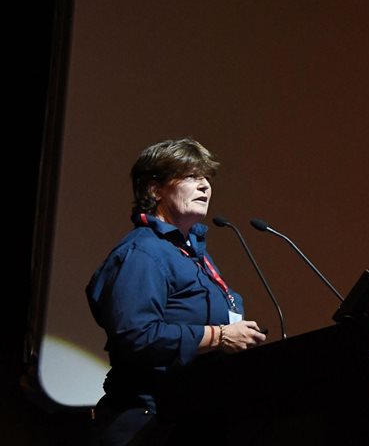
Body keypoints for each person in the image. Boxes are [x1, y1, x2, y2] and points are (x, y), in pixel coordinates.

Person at [86, 138, 267, 445]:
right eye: (191, 177)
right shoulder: (143, 252)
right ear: (155, 189)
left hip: (191, 418)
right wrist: (220, 336)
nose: (205, 186)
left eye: (206, 178)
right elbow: (137, 335)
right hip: (147, 424)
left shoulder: (194, 255)